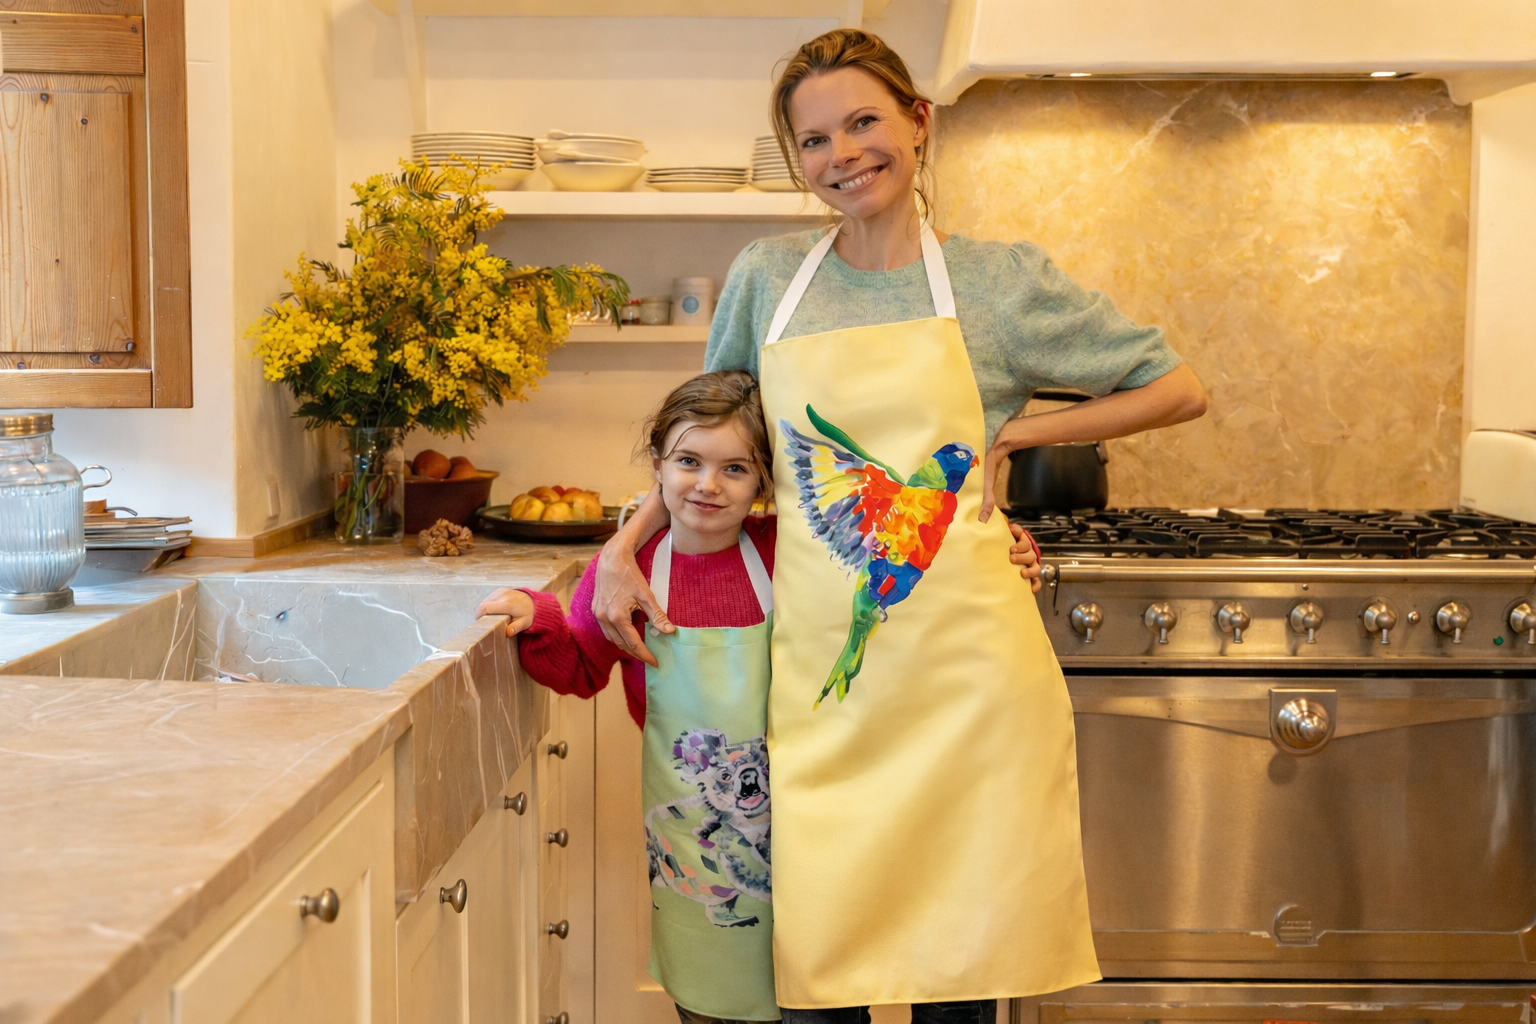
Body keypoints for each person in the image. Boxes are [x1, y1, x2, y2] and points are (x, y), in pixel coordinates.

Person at [594, 29, 1209, 1024]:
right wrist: (620, 553)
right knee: (815, 983)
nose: (843, 155)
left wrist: (1011, 436)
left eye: (864, 122)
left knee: (958, 993)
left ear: (919, 124)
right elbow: (702, 452)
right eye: (814, 140)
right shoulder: (767, 276)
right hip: (821, 696)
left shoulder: (998, 284)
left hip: (967, 694)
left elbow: (1177, 388)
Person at [476, 370, 784, 1024]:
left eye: (735, 468)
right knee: (705, 994)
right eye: (689, 462)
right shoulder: (623, 575)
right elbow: (581, 668)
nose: (707, 484)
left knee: (801, 993)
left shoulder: (785, 552)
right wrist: (540, 615)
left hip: (798, 825)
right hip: (693, 841)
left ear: (762, 481)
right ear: (657, 465)